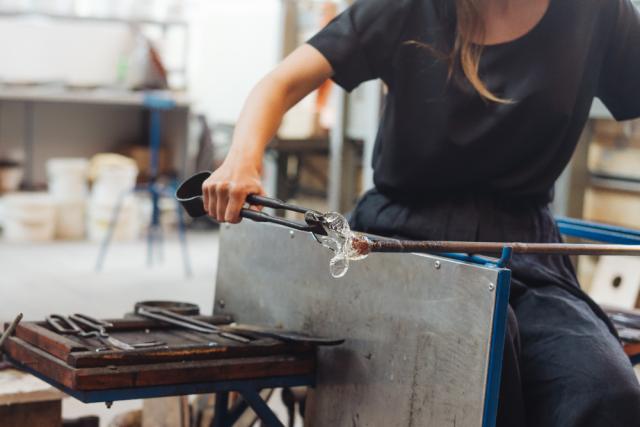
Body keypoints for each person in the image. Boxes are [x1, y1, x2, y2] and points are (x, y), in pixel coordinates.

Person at [202, 0, 640, 425]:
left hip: (525, 252)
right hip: (403, 242)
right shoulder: (411, 7)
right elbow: (281, 82)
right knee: (485, 362)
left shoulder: (595, 10)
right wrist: (242, 158)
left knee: (605, 394)